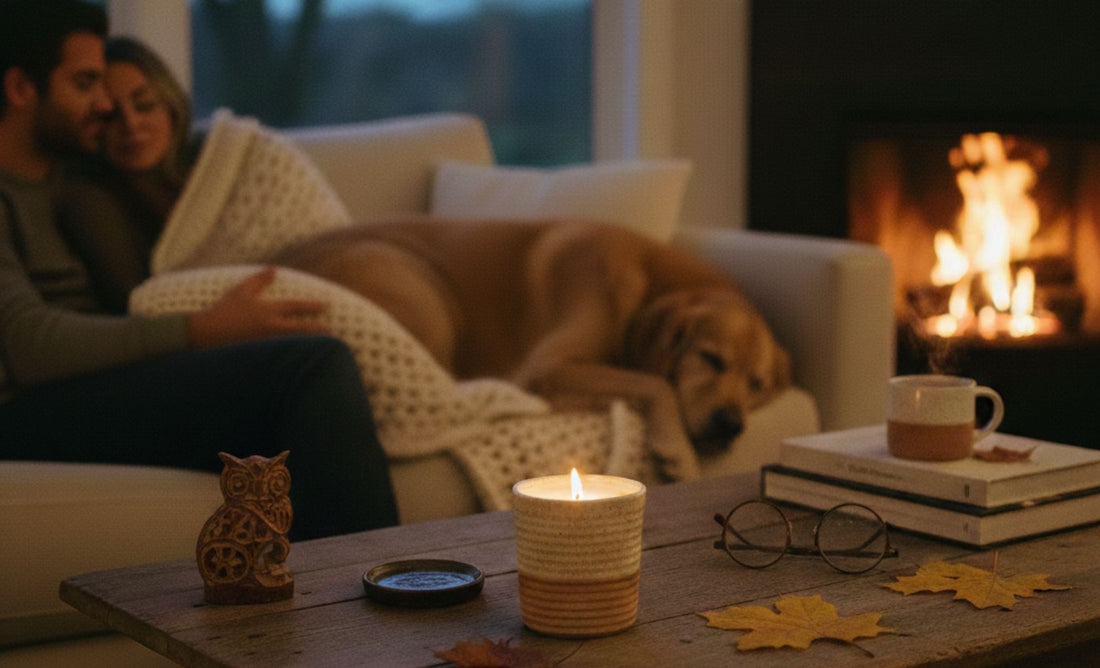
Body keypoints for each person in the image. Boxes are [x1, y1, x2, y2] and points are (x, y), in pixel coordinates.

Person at [0, 0, 399, 541]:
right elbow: (30, 345)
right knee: (310, 368)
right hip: (26, 411)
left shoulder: (76, 178)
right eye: (86, 83)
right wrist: (199, 328)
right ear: (21, 89)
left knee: (305, 380)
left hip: (99, 380)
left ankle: (307, 595)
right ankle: (375, 596)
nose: (103, 105)